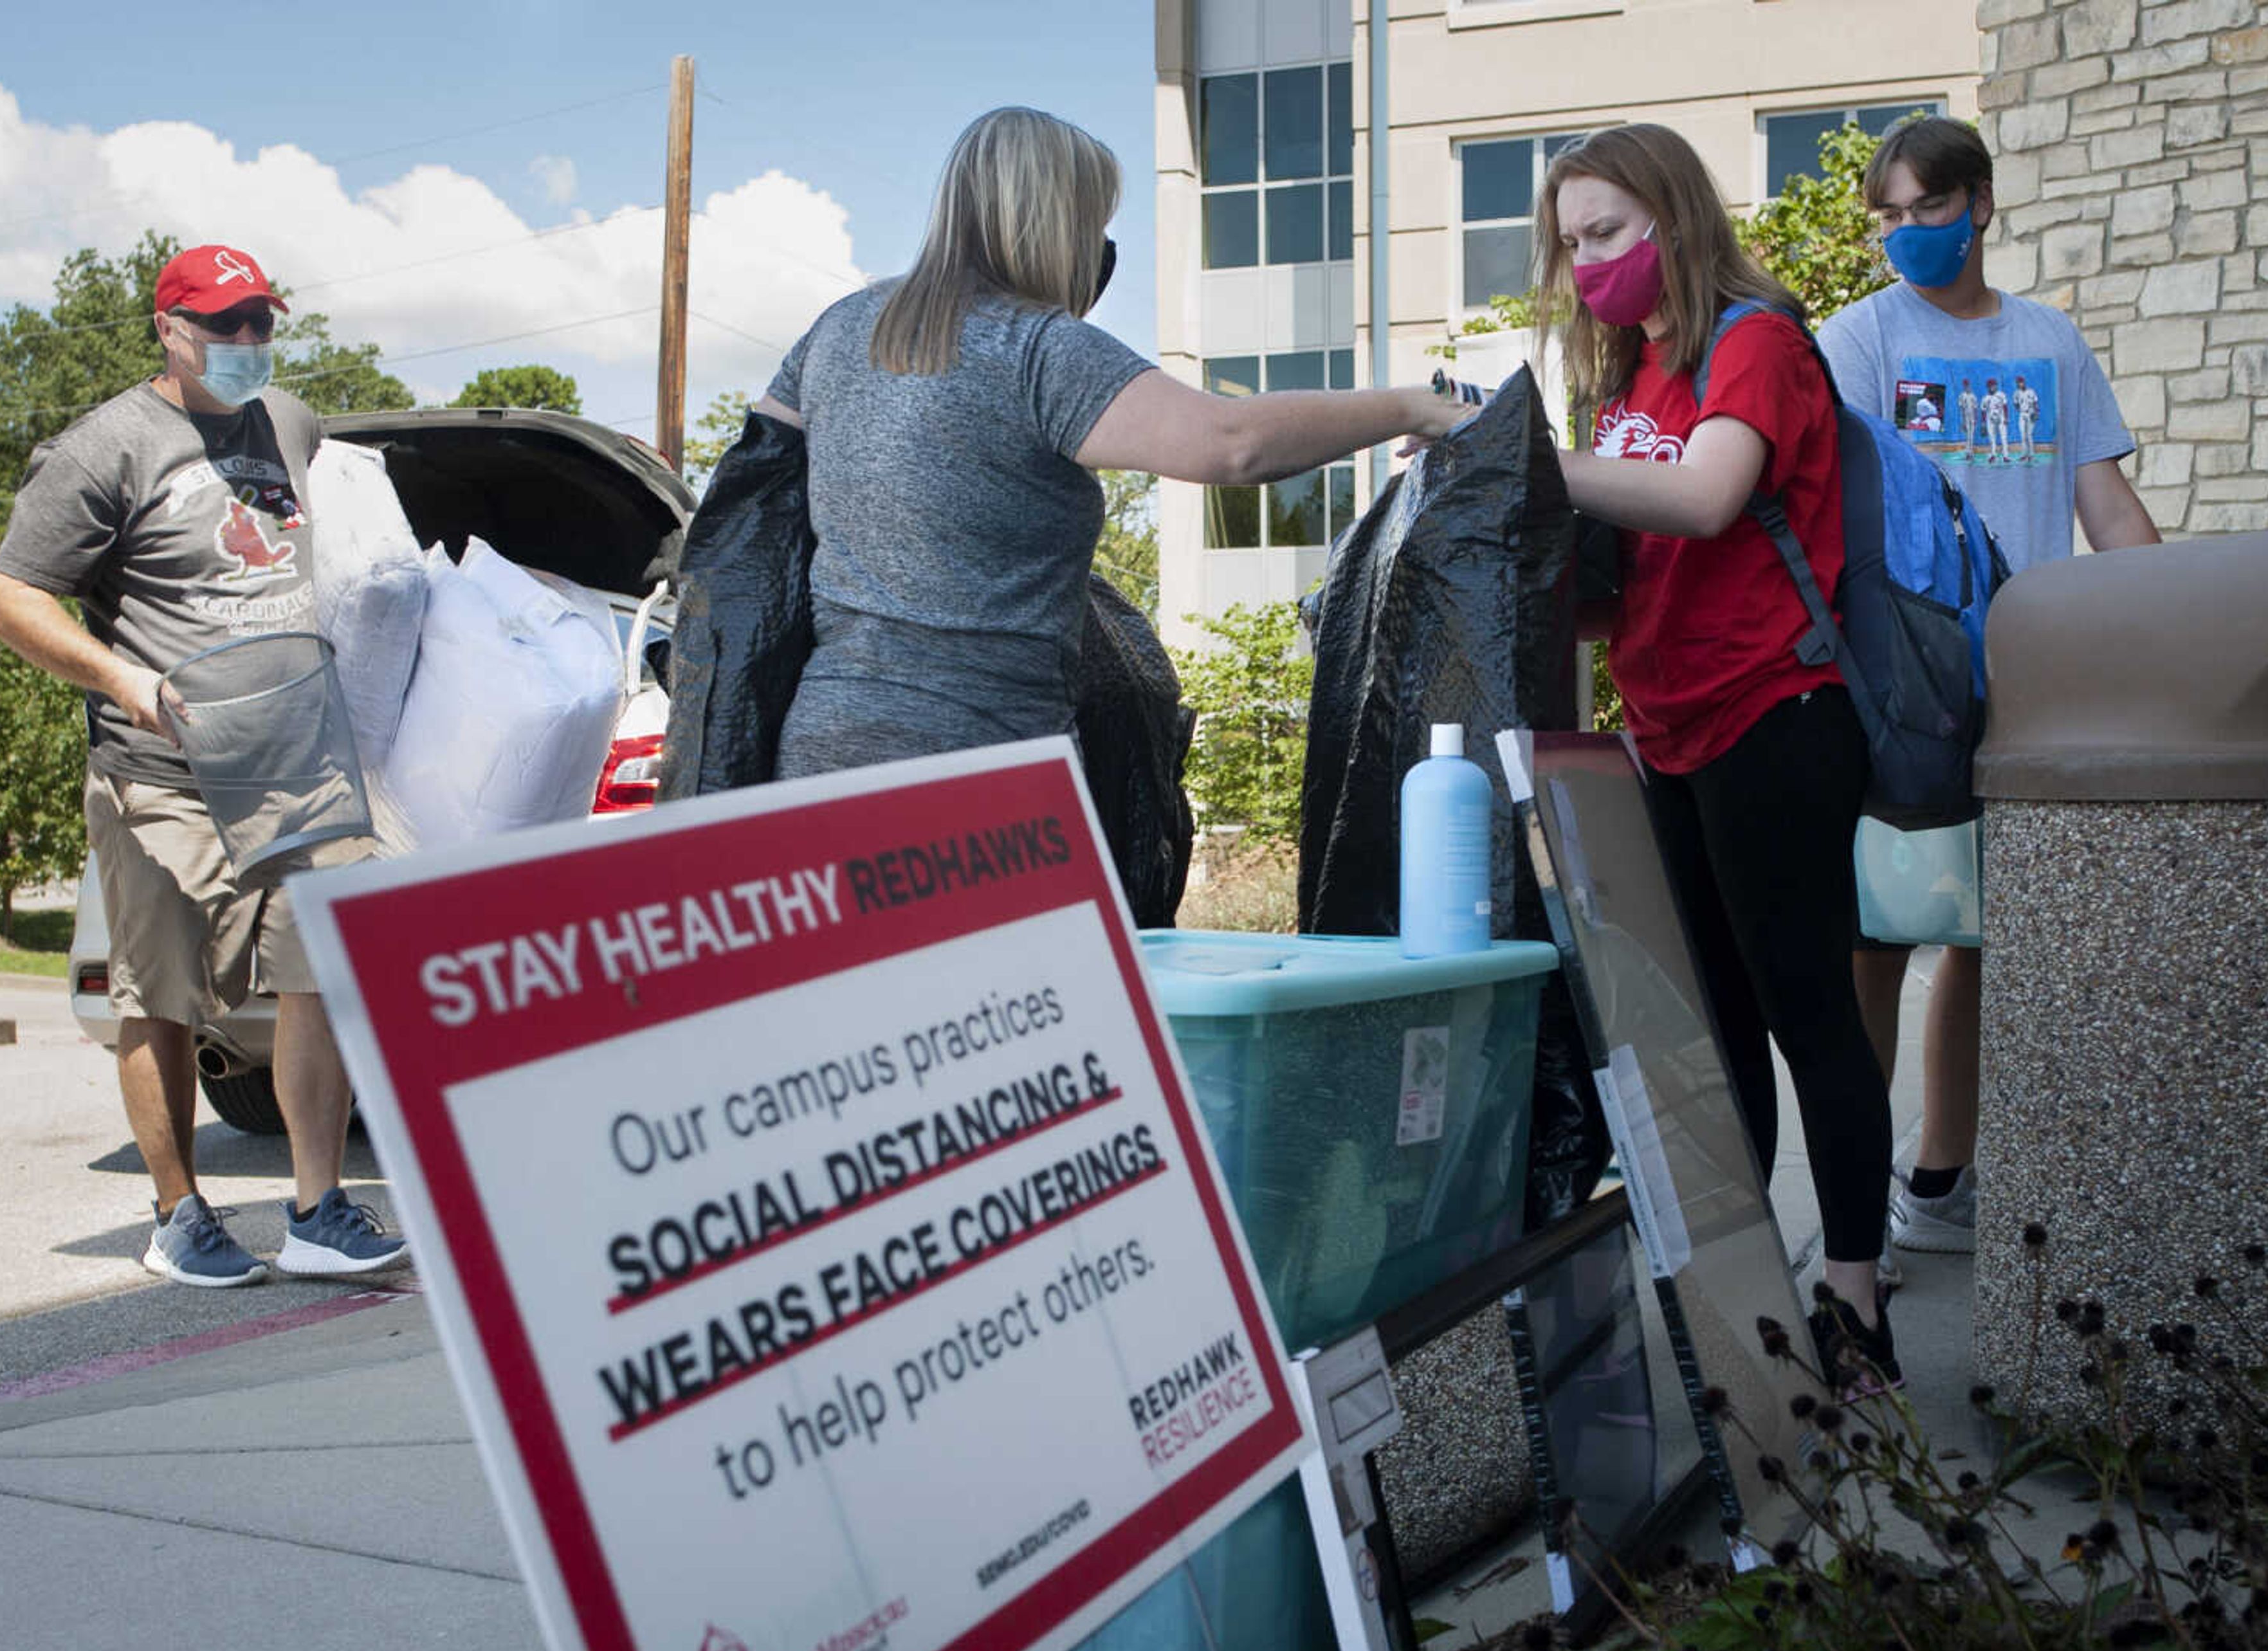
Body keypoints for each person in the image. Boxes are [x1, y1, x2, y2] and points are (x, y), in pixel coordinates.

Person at [742, 105, 1470, 778]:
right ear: (1056, 222)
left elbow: (751, 488)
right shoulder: (1037, 348)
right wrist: (1415, 405)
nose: (1101, 248)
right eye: (1095, 222)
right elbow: (1234, 441)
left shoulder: (836, 331)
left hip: (821, 753)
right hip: (977, 767)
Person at [1534, 123, 1899, 1393]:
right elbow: (1628, 585)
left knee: (1810, 1014)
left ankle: (1856, 1303)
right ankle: (1751, 1307)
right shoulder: (1626, 381)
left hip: (1776, 715)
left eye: (1608, 235)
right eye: (1571, 244)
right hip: (1668, 731)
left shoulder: (1757, 339)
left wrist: (1535, 467)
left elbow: (1703, 498)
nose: (1587, 266)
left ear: (1677, 225)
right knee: (1719, 1033)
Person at [0, 243, 408, 1288]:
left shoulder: (294, 424)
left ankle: (317, 1209)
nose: (248, 343)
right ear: (169, 331)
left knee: (321, 977)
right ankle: (180, 1214)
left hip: (300, 769)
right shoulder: (105, 450)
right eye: (225, 325)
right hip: (163, 772)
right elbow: (9, 601)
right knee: (161, 996)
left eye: (262, 321)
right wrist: (121, 677)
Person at [1818, 115, 2159, 1287]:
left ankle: (1938, 1182)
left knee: (1987, 936)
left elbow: (2108, 513)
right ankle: (1855, 1203)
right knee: (1876, 936)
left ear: (1981, 203)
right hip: (1906, 677)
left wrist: (2169, 620)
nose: (1908, 234)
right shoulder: (1858, 339)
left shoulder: (2049, 342)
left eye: (1928, 210)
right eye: (1891, 217)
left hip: (2035, 674)